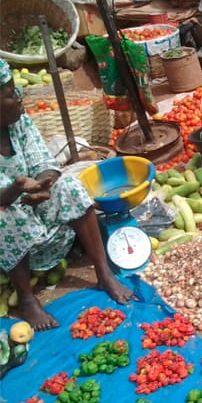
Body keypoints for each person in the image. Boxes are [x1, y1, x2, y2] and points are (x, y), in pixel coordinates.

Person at [0, 59, 134, 331]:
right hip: (9, 225)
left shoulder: (19, 122)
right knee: (3, 216)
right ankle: (26, 298)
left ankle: (103, 273)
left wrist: (43, 183)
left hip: (34, 204)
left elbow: (43, 161)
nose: (19, 97)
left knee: (70, 186)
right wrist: (16, 189)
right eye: (11, 94)